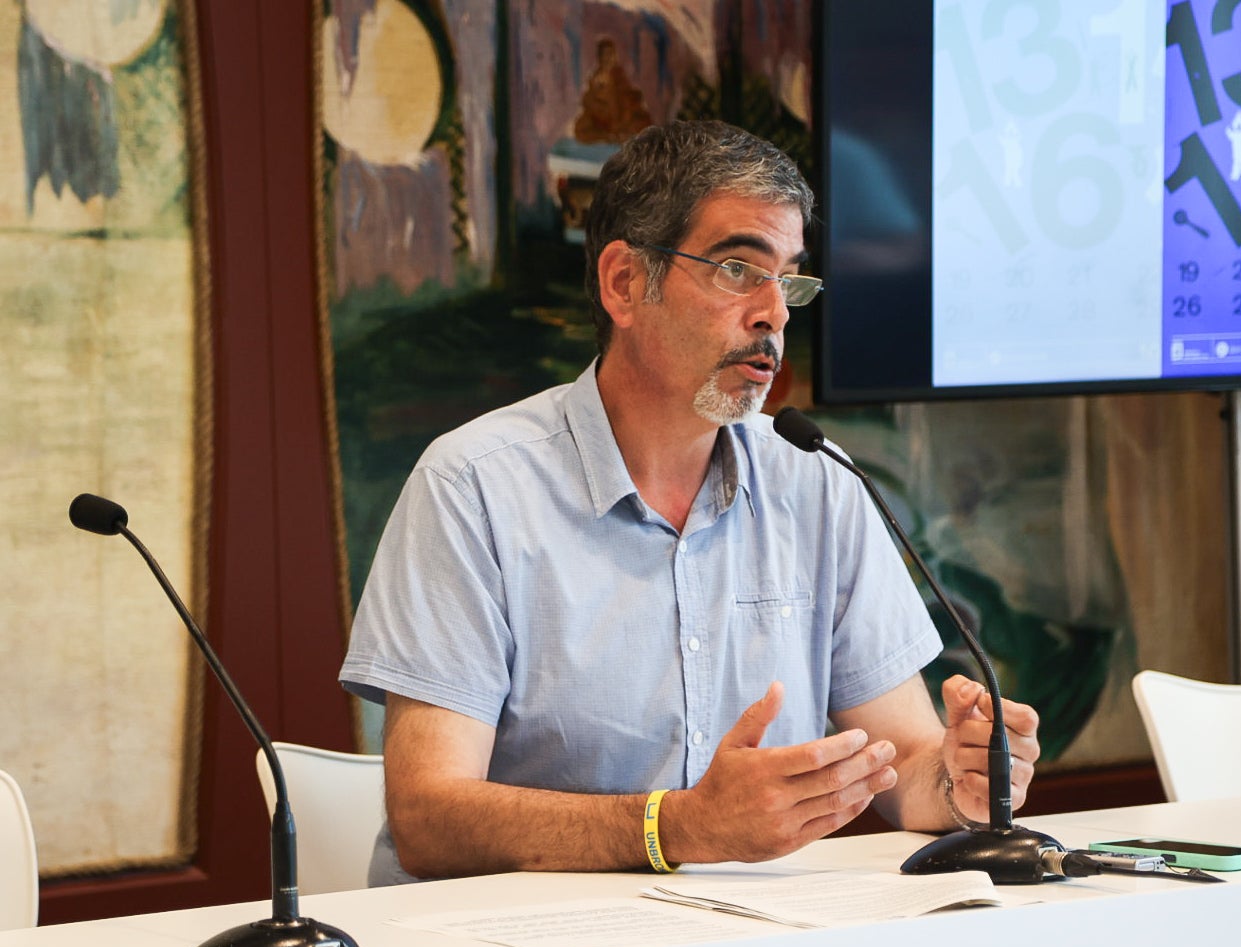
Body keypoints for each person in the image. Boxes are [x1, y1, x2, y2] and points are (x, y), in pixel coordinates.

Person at [339, 119, 1041, 885]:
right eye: (739, 269)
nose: (774, 313)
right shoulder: (473, 487)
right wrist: (679, 827)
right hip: (524, 931)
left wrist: (960, 779)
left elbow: (902, 761)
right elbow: (429, 819)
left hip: (756, 928)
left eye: (789, 279)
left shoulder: (819, 484)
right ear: (624, 283)